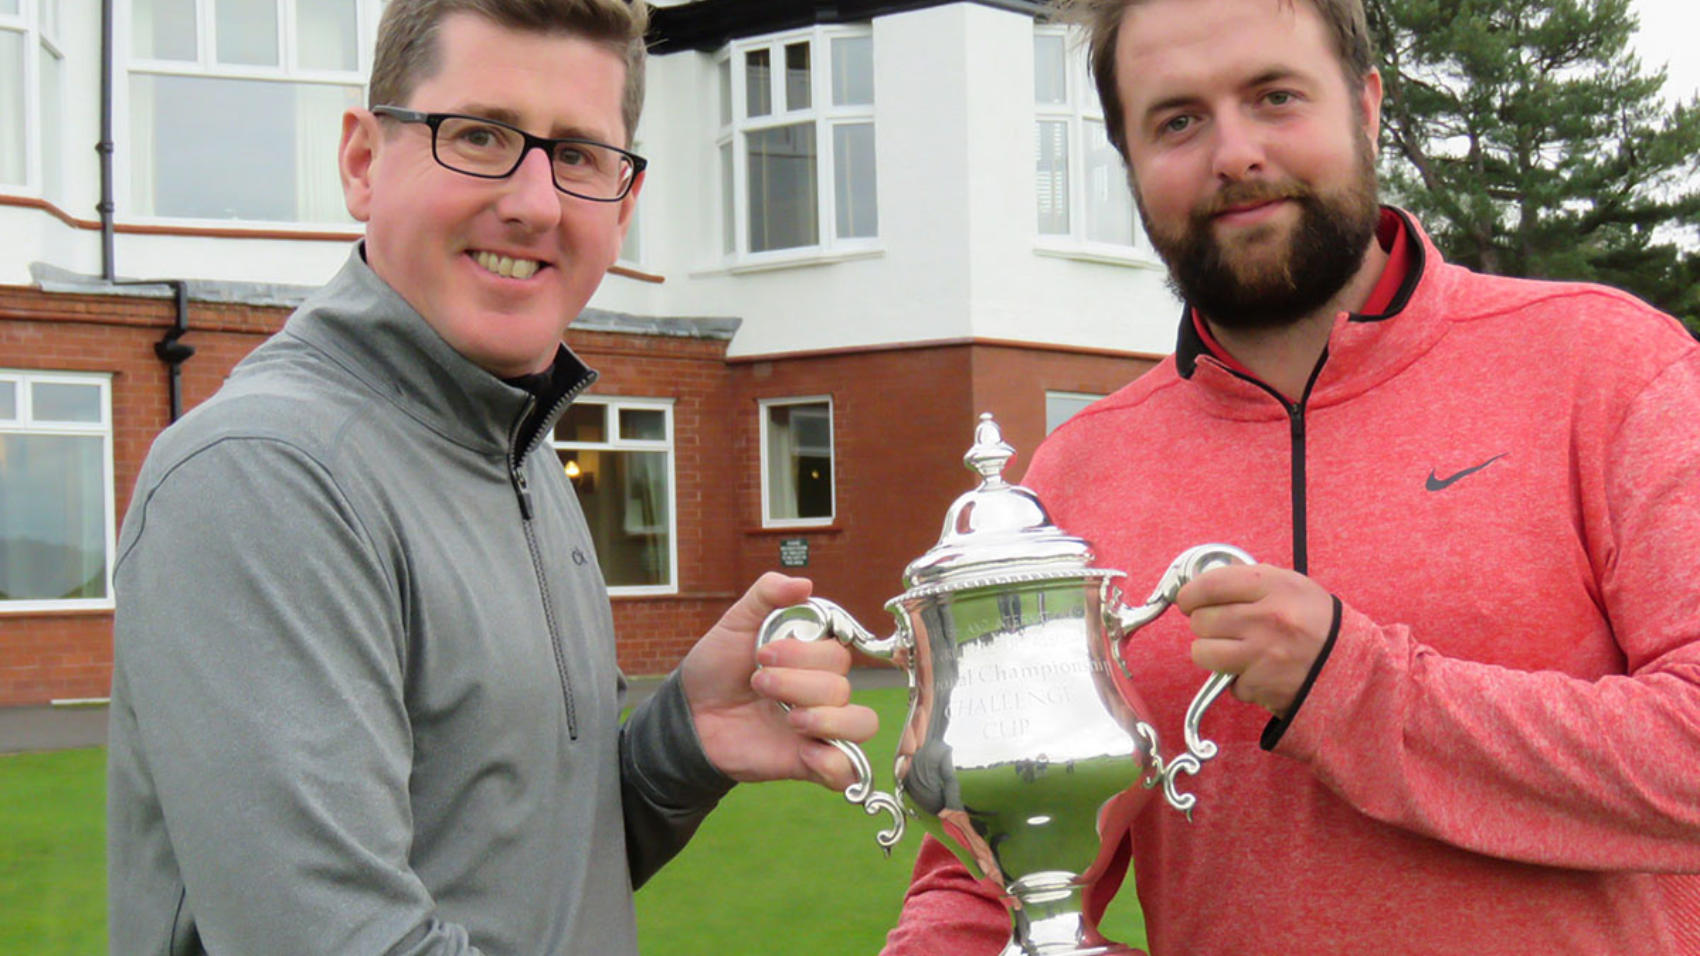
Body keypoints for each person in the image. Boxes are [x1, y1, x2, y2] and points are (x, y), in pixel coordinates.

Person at [881, 0, 1700, 952]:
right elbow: (990, 879)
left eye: (1275, 97)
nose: (1234, 154)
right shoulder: (1074, 477)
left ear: (1367, 105)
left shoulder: (1608, 366)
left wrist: (1352, 691)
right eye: (1178, 120)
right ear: (1131, 162)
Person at [105, 0, 876, 952]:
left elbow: (523, 877)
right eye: (479, 136)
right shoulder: (265, 476)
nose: (535, 202)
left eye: (581, 156)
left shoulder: (514, 446)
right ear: (362, 160)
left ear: (624, 205)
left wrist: (684, 742)